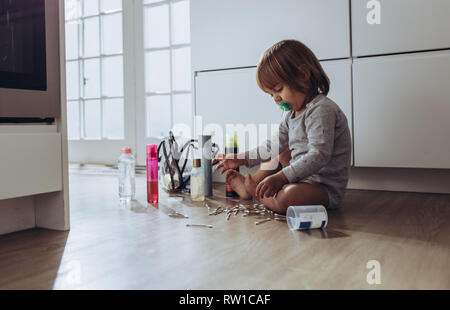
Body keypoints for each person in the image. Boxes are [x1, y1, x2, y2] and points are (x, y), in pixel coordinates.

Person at [212, 40, 351, 214]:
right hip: (299, 178)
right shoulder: (291, 114)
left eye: (279, 89)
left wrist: (281, 177)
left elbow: (319, 155)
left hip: (323, 188)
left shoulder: (322, 110)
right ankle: (256, 185)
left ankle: (257, 192)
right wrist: (242, 158)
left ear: (303, 75)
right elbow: (272, 146)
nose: (276, 99)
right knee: (280, 151)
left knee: (288, 197)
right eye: (272, 95)